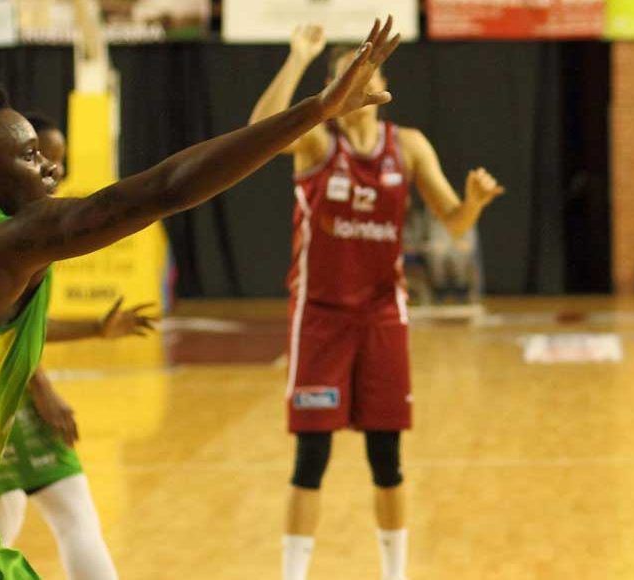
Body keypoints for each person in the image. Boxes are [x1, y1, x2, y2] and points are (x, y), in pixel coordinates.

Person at [0, 19, 399, 577]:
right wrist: (314, 110)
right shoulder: (2, 242)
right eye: (28, 156)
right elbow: (160, 191)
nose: (49, 166)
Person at [248, 22, 504, 580]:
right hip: (320, 318)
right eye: (346, 72)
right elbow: (258, 131)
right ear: (336, 86)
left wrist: (476, 202)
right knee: (310, 459)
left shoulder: (407, 147)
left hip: (383, 316)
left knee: (386, 459)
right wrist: (297, 58)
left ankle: (395, 573)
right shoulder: (318, 141)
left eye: (368, 68)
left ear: (382, 81)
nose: (359, 80)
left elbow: (454, 223)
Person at [0, 113, 156, 580]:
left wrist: (96, 327)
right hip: (0, 397)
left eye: (60, 159)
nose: (53, 169)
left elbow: (29, 323)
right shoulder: (15, 231)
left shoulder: (10, 226)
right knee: (73, 517)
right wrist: (42, 389)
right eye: (39, 157)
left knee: (1, 519)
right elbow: (5, 328)